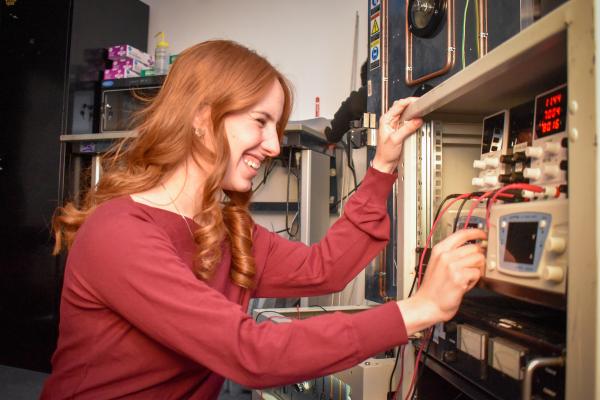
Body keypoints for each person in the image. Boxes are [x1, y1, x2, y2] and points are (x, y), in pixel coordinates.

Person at [41, 40, 485, 399]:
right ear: (201, 118)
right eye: (260, 121)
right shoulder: (119, 233)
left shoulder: (222, 229)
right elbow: (250, 354)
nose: (273, 146)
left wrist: (383, 164)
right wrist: (419, 308)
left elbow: (324, 269)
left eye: (277, 126)